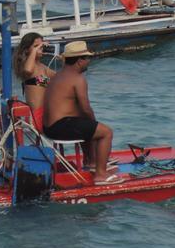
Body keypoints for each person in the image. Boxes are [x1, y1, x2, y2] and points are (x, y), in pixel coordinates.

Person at [42, 40, 121, 185]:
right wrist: (94, 125)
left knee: (86, 124)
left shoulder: (57, 76)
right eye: (87, 58)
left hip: (48, 128)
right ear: (79, 61)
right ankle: (101, 175)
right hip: (59, 127)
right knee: (106, 132)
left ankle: (91, 162)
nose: (88, 61)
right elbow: (85, 108)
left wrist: (91, 125)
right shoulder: (78, 79)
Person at [12, 32, 55, 112]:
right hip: (36, 114)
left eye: (41, 46)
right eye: (35, 46)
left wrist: (66, 62)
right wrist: (35, 50)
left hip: (46, 114)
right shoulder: (27, 66)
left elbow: (60, 78)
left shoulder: (42, 67)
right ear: (27, 49)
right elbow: (28, 70)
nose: (40, 48)